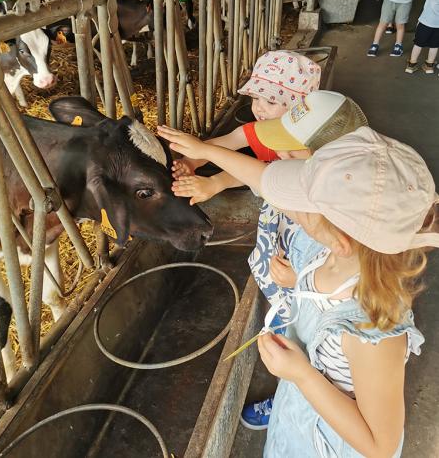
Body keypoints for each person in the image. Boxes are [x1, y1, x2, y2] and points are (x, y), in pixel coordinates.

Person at [159, 124, 437, 457]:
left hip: (328, 442)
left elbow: (380, 444)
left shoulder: (374, 328)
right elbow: (265, 181)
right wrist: (206, 151)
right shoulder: (325, 251)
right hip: (297, 416)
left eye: (302, 205)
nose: (290, 207)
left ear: (341, 241)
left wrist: (302, 375)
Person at [159, 90, 368, 430]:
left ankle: (303, 400)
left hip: (314, 314)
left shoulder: (334, 215)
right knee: (292, 350)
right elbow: (263, 172)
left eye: (288, 146)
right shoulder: (312, 173)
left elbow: (340, 282)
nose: (277, 153)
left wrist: (299, 283)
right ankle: (291, 394)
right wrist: (209, 169)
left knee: (306, 356)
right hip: (292, 287)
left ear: (322, 159)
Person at [172, 50, 321, 205]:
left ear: (299, 107)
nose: (258, 108)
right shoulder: (260, 130)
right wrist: (191, 162)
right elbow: (222, 145)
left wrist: (215, 182)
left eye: (271, 102)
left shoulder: (311, 140)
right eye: (255, 98)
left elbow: (265, 173)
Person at [405, 0, 439, 74]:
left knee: (418, 43)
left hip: (426, 21)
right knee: (435, 45)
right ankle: (429, 65)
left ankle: (411, 64)